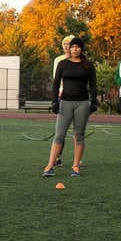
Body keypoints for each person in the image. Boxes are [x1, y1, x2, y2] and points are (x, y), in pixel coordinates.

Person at [44, 37, 97, 177]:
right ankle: (50, 165)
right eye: (73, 46)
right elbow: (55, 84)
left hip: (83, 103)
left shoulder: (88, 65)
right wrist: (54, 101)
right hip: (65, 102)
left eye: (78, 47)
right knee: (59, 135)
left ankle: (75, 166)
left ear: (81, 49)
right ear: (69, 48)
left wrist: (94, 101)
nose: (75, 49)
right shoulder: (62, 64)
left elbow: (93, 85)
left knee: (79, 135)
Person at [47, 34, 74, 170]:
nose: (66, 46)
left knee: (77, 130)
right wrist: (55, 99)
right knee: (61, 129)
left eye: (68, 43)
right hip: (62, 95)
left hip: (77, 96)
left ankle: (77, 160)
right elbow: (56, 79)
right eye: (64, 44)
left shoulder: (80, 59)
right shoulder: (58, 59)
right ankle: (58, 157)